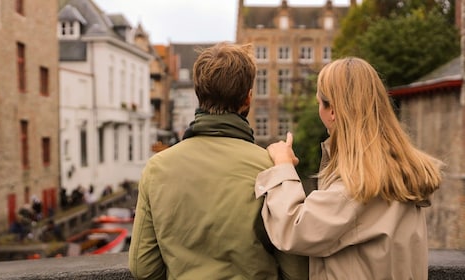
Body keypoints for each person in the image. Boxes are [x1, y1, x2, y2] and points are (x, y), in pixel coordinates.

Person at [128, 42, 308, 279]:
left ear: (199, 95)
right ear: (247, 99)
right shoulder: (271, 168)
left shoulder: (157, 168)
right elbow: (296, 270)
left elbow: (143, 268)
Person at [255, 57, 443, 280]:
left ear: (332, 110)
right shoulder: (402, 170)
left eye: (319, 102)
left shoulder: (355, 185)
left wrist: (282, 167)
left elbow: (294, 230)